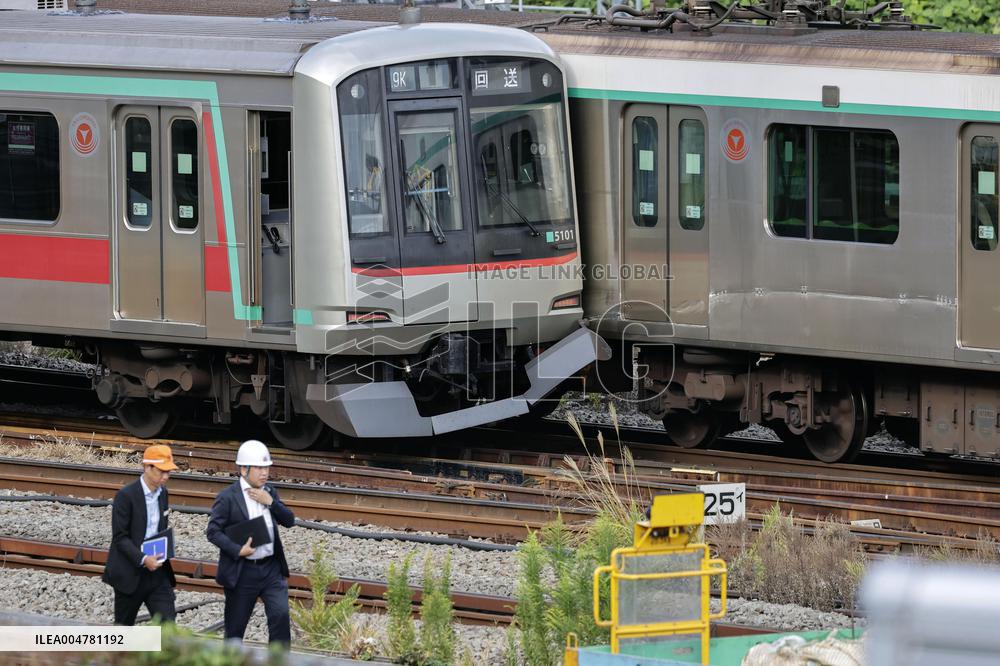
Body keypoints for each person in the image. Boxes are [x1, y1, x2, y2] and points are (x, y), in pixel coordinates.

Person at [206, 440, 295, 646]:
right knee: (235, 630)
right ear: (244, 469)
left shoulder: (269, 492)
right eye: (259, 468)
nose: (265, 473)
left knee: (281, 617)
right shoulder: (227, 497)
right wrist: (238, 550)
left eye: (267, 467)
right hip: (243, 571)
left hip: (271, 569)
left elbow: (289, 520)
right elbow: (213, 532)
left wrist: (270, 502)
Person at [102, 444, 178, 625]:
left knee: (168, 627)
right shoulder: (126, 496)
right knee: (123, 629)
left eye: (168, 472)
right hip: (130, 573)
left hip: (158, 573)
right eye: (162, 471)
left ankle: (162, 653)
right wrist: (144, 558)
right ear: (147, 467)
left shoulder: (163, 493)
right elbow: (120, 537)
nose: (166, 477)